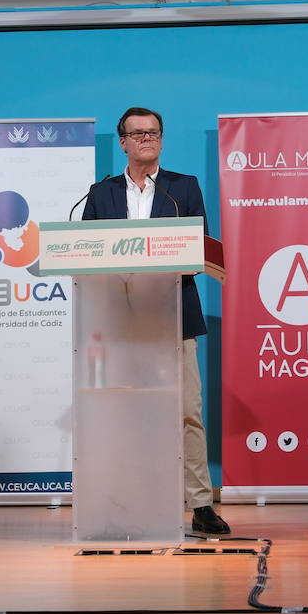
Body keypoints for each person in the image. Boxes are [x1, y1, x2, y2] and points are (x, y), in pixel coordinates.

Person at [81, 107, 230, 537]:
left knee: (187, 412)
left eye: (154, 133)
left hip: (174, 316)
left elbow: (197, 250)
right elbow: (88, 252)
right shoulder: (100, 193)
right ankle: (121, 501)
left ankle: (200, 505)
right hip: (119, 321)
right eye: (138, 133)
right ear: (122, 142)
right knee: (122, 413)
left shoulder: (182, 188)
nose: (147, 139)